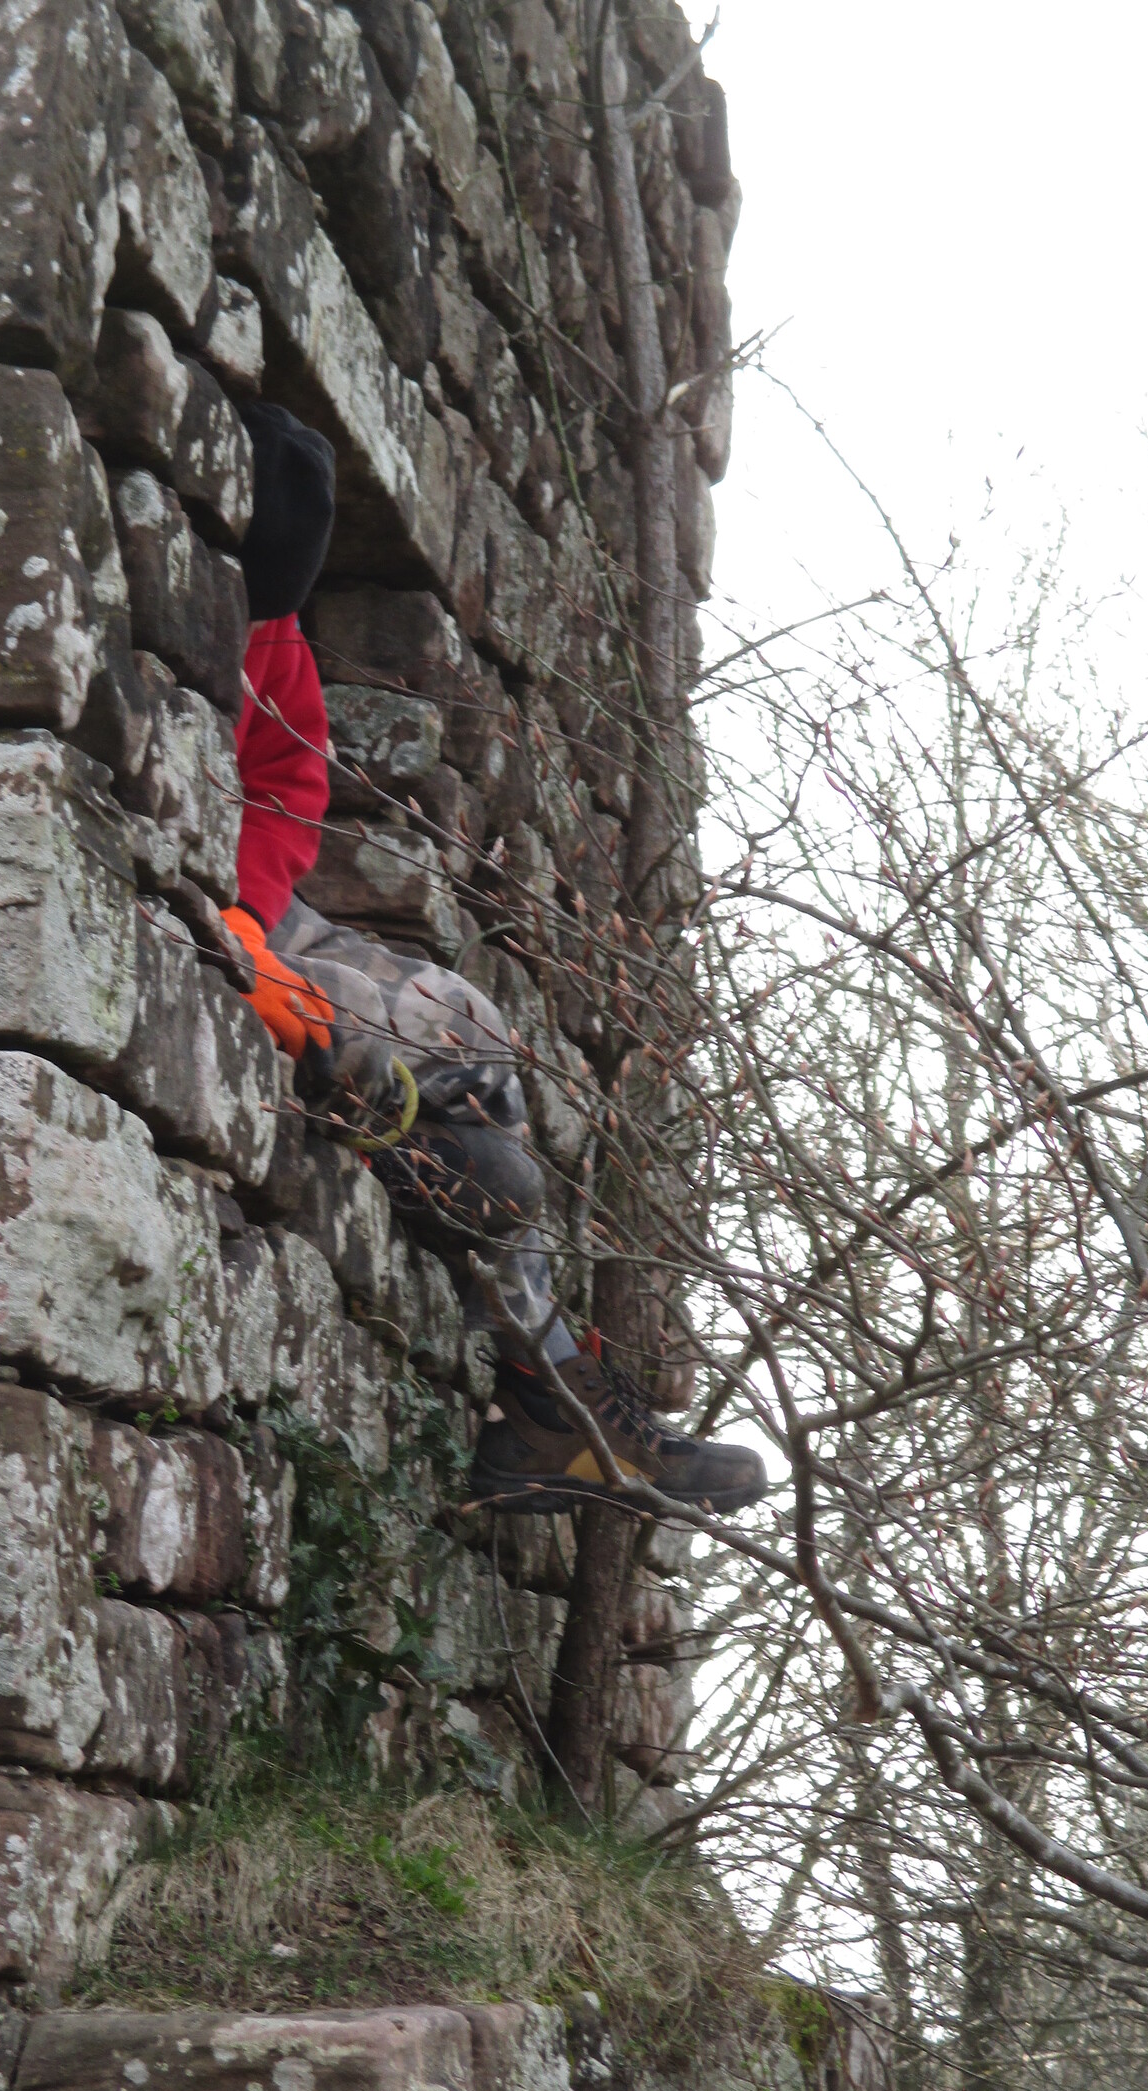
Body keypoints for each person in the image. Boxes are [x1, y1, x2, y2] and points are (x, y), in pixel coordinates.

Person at [222, 402, 766, 1518]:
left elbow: (287, 779)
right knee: (420, 1088)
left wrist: (251, 913)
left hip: (248, 902)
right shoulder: (171, 605)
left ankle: (538, 1375)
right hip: (197, 904)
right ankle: (539, 1372)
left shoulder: (264, 628)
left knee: (466, 1021)